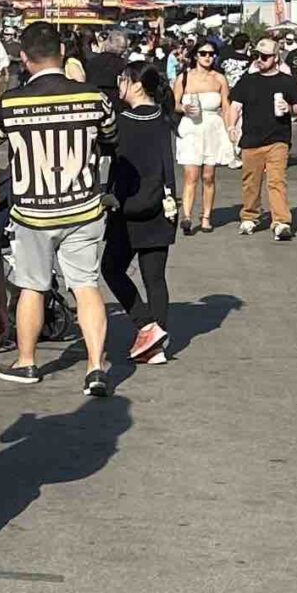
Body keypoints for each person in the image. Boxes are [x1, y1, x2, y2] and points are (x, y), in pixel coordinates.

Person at [0, 22, 116, 396]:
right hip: (83, 207)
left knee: (32, 286)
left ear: (24, 59)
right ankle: (95, 367)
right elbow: (110, 137)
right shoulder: (92, 97)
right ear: (63, 53)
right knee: (86, 285)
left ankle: (27, 361)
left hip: (33, 212)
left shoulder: (12, 102)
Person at [101, 56, 179, 363]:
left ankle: (145, 324)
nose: (119, 85)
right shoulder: (163, 117)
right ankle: (156, 343)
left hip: (127, 206)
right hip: (162, 204)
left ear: (134, 84)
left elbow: (104, 153)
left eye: (122, 79)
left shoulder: (122, 121)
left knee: (112, 268)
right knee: (155, 277)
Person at [227, 36, 297, 239]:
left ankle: (281, 221)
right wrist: (231, 126)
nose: (261, 59)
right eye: (258, 56)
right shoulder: (247, 80)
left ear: (276, 58)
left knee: (276, 180)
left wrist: (290, 109)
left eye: (266, 56)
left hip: (278, 138)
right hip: (251, 139)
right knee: (251, 181)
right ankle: (250, 216)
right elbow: (235, 104)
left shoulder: (286, 81)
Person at [172, 40, 235, 231]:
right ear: (195, 55)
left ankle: (206, 217)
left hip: (212, 127)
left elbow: (226, 106)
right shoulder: (184, 77)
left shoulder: (219, 79)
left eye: (211, 54)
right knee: (191, 175)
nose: (207, 57)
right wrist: (183, 107)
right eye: (203, 53)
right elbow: (173, 104)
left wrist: (230, 128)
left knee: (208, 176)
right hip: (191, 127)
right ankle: (187, 217)